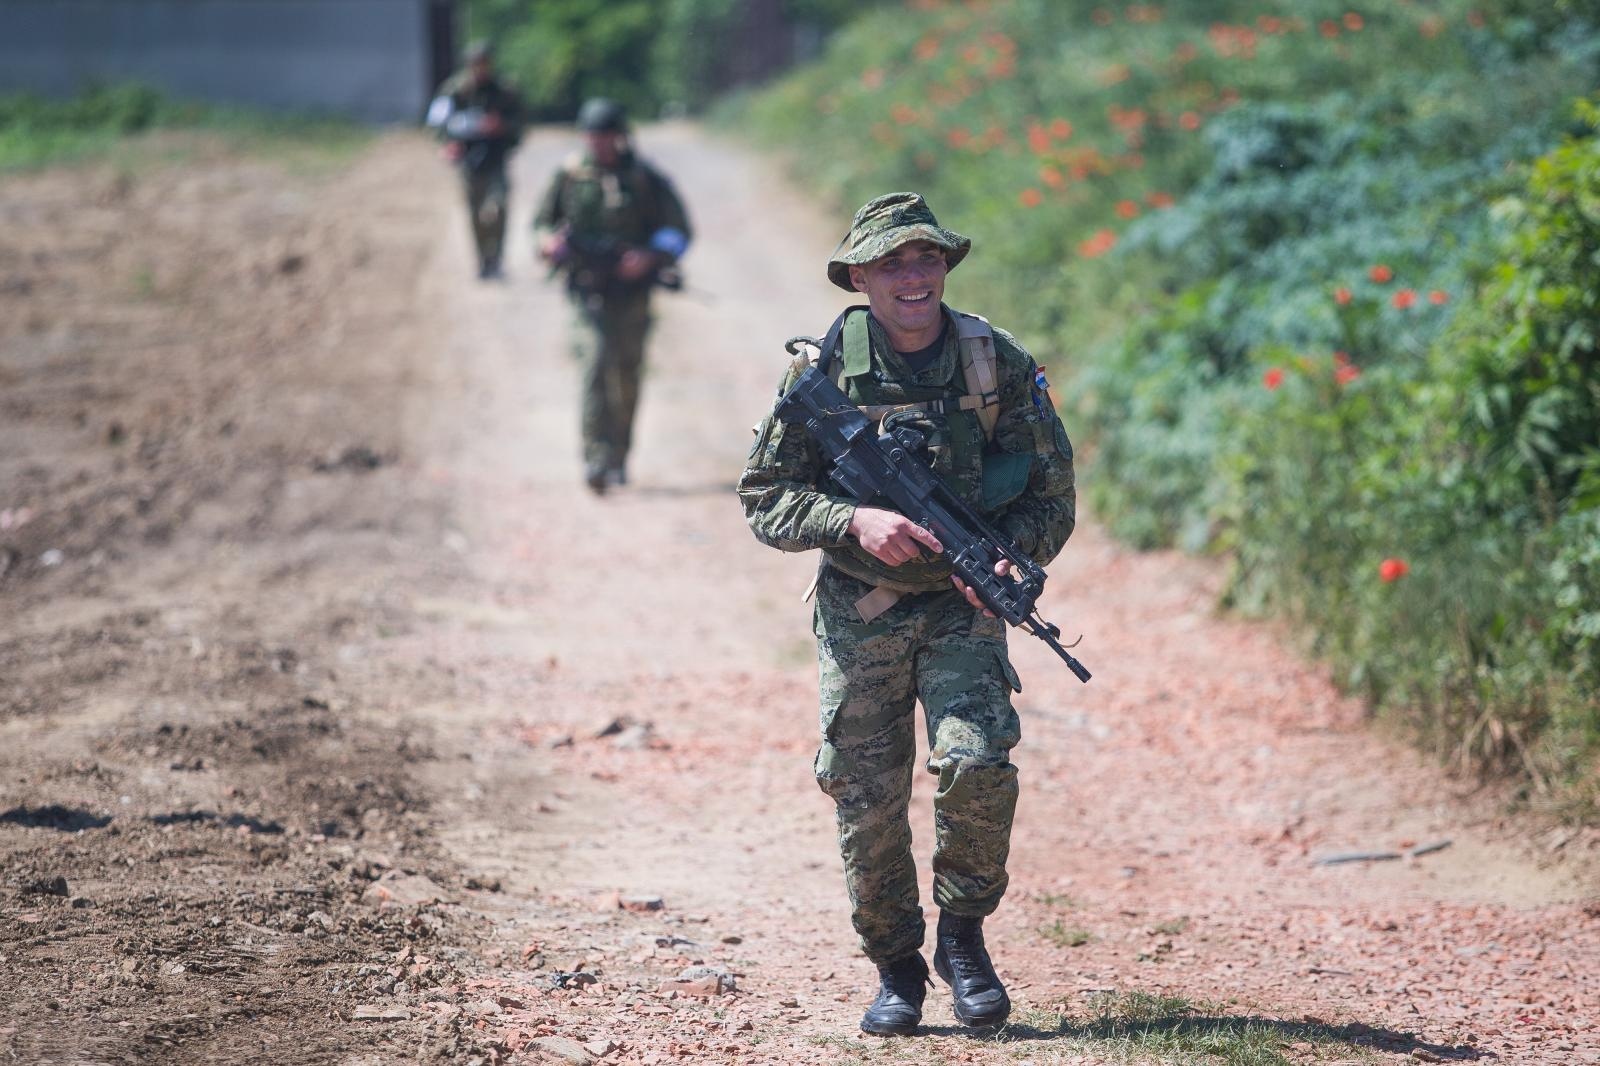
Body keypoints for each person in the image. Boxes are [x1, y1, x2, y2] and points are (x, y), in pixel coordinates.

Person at [736, 192, 1077, 1036]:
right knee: (866, 796)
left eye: (926, 258)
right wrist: (851, 519)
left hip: (963, 610)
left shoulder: (993, 361)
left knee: (978, 765)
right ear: (860, 275)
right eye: (892, 263)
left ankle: (963, 939)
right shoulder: (822, 373)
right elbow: (765, 496)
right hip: (862, 609)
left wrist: (1008, 557)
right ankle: (896, 968)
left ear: (945, 267)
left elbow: (1052, 496)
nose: (913, 275)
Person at [534, 98, 692, 494]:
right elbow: (540, 224)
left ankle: (620, 453)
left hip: (632, 293)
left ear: (620, 136)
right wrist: (548, 243)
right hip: (586, 290)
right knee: (594, 365)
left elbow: (679, 230)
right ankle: (595, 458)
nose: (600, 143)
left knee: (626, 373)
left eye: (607, 135)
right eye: (593, 135)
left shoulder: (643, 178)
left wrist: (649, 257)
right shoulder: (569, 176)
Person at [427, 40, 525, 279]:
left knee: (499, 207)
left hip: (495, 157)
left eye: (484, 63)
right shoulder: (455, 90)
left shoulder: (504, 90)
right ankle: (483, 259)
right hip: (470, 160)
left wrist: (501, 126)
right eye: (475, 64)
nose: (480, 68)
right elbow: (437, 122)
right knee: (475, 212)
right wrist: (448, 144)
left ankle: (497, 258)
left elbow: (520, 125)